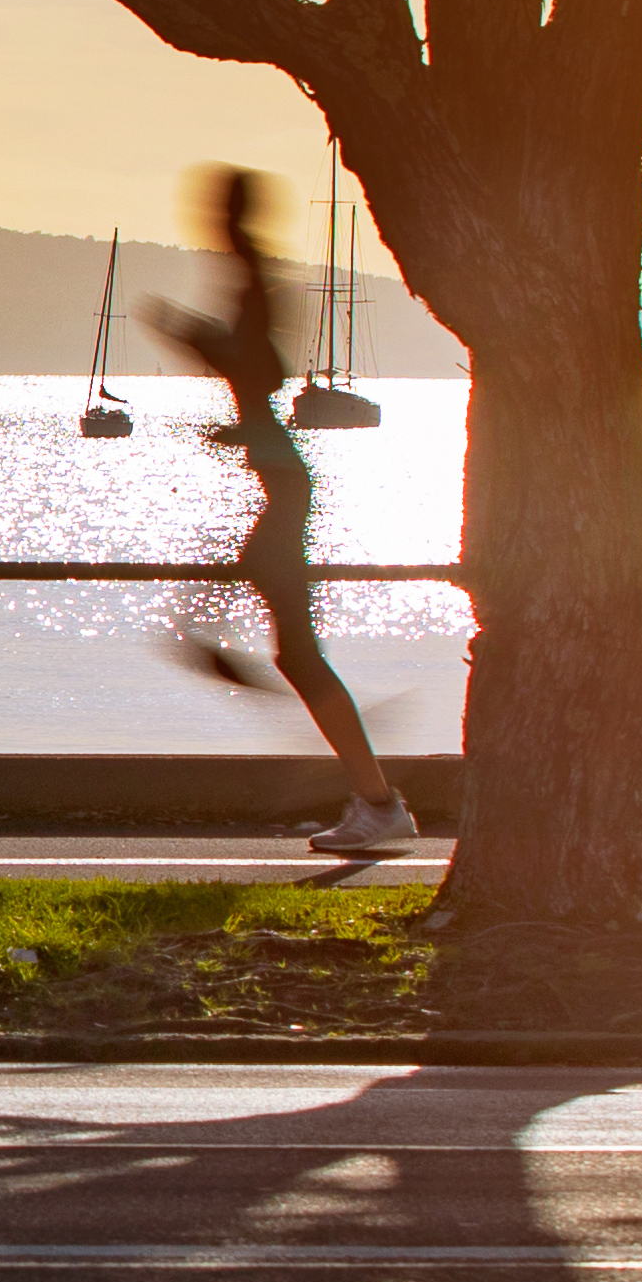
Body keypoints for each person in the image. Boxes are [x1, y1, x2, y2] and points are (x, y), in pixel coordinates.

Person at [138, 164, 417, 856]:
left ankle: (371, 791)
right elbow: (260, 387)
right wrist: (236, 421)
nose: (208, 220)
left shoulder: (255, 279)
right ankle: (368, 789)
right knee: (284, 652)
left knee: (270, 650)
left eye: (217, 209)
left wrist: (191, 336)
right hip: (279, 484)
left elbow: (263, 370)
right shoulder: (248, 278)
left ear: (232, 214)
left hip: (285, 489)